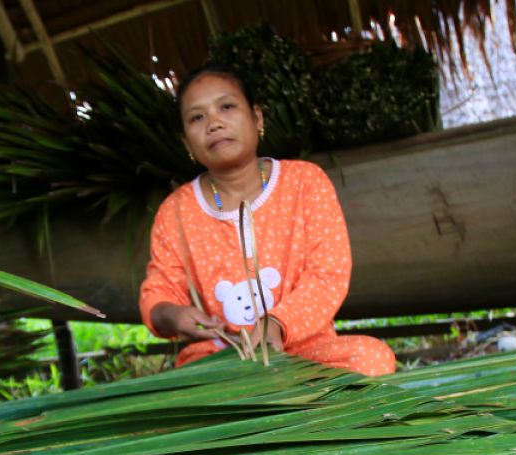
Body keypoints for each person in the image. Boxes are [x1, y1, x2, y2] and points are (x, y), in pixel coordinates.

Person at [138, 63, 396, 376]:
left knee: (371, 359)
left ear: (256, 118)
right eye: (197, 117)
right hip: (218, 365)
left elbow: (327, 275)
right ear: (186, 143)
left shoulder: (304, 182)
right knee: (171, 403)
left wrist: (277, 324)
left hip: (303, 352)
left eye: (227, 106)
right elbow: (160, 293)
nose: (214, 123)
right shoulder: (175, 212)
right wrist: (174, 317)